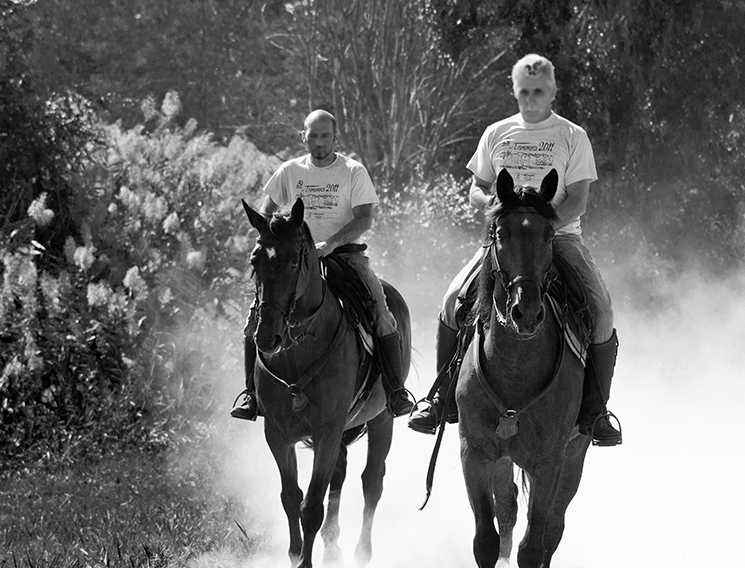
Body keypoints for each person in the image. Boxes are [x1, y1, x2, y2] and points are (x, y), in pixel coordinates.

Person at [407, 54, 622, 446]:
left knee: (601, 308)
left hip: (559, 239)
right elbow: (476, 186)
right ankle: (441, 399)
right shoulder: (496, 132)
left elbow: (578, 199)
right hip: (502, 242)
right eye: (523, 91)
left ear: (553, 90)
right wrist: (487, 205)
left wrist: (542, 229)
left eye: (538, 91)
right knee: (452, 298)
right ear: (514, 90)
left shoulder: (572, 136)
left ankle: (595, 410)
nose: (530, 98)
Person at [231, 109, 413, 421]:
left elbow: (365, 217)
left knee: (382, 315)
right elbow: (267, 213)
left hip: (345, 255)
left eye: (325, 136)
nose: (318, 142)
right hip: (294, 259)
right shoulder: (289, 171)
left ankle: (395, 391)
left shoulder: (353, 171)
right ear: (303, 137)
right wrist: (278, 236)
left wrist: (330, 244)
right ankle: (251, 394)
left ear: (335, 137)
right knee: (255, 320)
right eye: (312, 136)